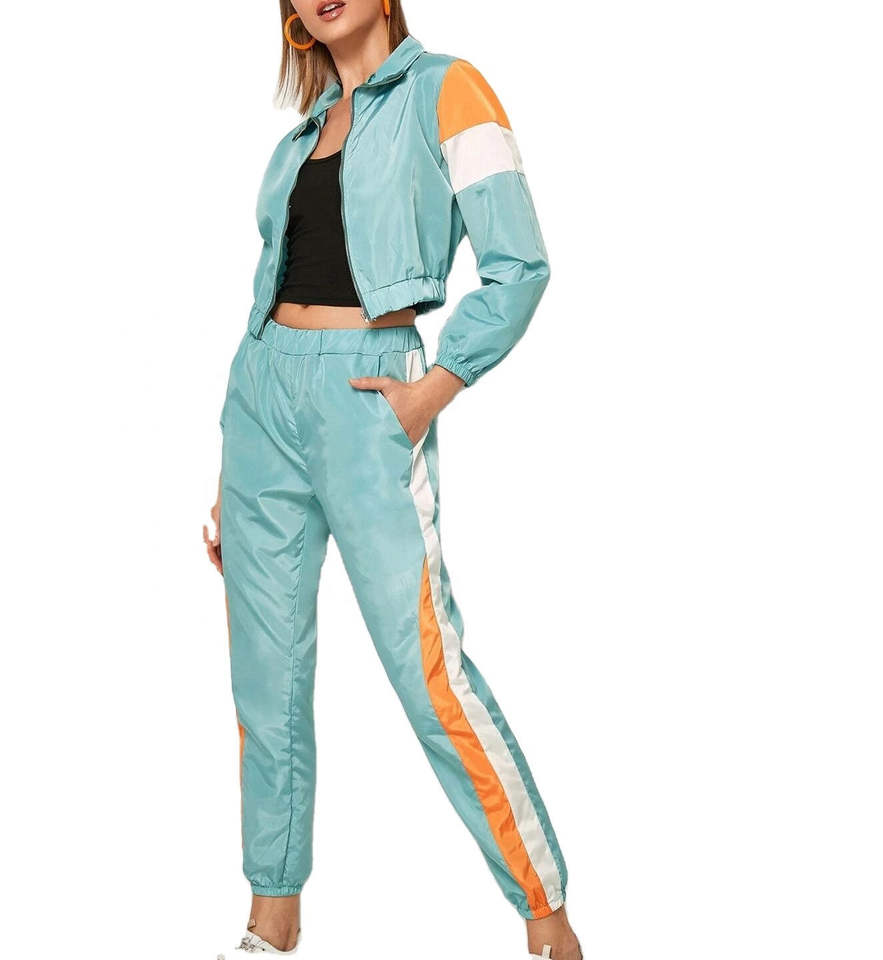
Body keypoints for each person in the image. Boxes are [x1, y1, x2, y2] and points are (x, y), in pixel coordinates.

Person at [204, 2, 582, 957]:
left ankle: (546, 919)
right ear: (291, 17)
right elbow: (270, 286)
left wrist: (434, 388)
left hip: (368, 395)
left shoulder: (446, 89)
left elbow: (520, 265)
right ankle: (270, 922)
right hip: (260, 399)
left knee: (428, 672)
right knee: (265, 680)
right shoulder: (297, 137)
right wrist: (232, 468)